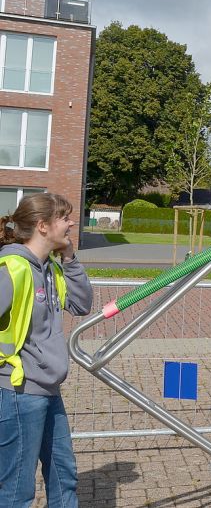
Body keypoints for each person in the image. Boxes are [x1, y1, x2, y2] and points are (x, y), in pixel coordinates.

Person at [0, 193, 93, 507]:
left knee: (63, 475)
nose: (70, 223)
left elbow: (81, 305)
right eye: (64, 218)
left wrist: (70, 258)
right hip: (20, 393)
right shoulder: (13, 268)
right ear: (42, 226)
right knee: (16, 489)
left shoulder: (51, 268)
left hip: (49, 390)